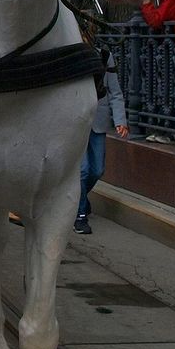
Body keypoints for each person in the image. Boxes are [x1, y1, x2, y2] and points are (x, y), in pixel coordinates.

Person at [74, 49, 127, 235]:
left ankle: (78, 199)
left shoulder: (104, 55)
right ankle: (79, 215)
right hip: (75, 122)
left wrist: (120, 120)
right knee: (83, 169)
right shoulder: (70, 53)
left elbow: (115, 91)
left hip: (98, 120)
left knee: (97, 169)